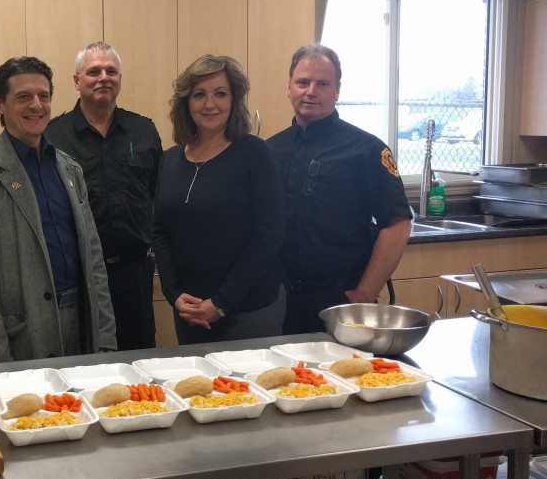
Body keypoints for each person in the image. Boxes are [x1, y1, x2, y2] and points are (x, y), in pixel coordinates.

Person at [0, 56, 117, 362]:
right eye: (23, 97)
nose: (36, 106)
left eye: (44, 96)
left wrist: (105, 334)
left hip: (81, 321)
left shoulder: (70, 171)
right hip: (24, 333)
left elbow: (93, 257)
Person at [267, 43, 412, 335]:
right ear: (289, 88)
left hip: (338, 299)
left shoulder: (366, 150)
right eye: (303, 82)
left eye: (323, 83)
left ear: (337, 90)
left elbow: (397, 225)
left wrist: (363, 296)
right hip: (275, 299)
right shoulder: (268, 150)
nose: (311, 91)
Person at [152, 54, 286, 343]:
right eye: (199, 94)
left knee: (246, 388)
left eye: (220, 94)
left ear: (234, 101)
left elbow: (269, 234)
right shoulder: (169, 160)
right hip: (190, 312)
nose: (210, 104)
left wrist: (222, 302)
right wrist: (173, 294)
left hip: (248, 312)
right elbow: (160, 231)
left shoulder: (254, 154)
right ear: (186, 102)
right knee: (195, 389)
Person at [45, 41, 162, 350]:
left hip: (134, 274)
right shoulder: (52, 136)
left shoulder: (144, 131)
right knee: (84, 364)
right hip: (77, 277)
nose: (104, 78)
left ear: (120, 78)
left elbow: (156, 198)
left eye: (111, 71)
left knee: (138, 364)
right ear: (76, 81)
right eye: (93, 71)